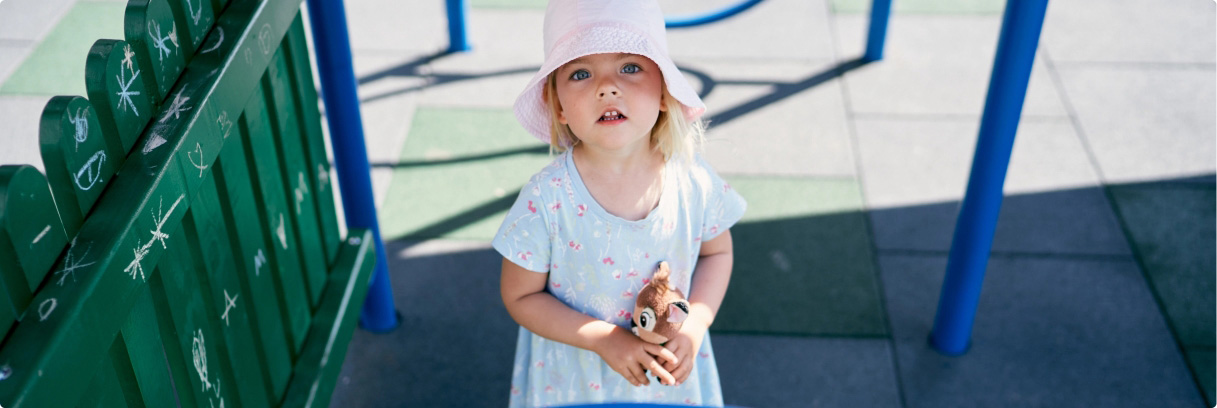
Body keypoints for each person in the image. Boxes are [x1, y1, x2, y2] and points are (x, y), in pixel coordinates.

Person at [495, 0, 746, 405]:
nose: (606, 87)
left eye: (630, 67)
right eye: (580, 73)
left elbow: (718, 254)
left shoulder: (693, 180)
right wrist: (603, 339)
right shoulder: (547, 199)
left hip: (668, 379)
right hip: (574, 380)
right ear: (558, 106)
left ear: (664, 90)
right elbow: (521, 296)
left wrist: (696, 325)